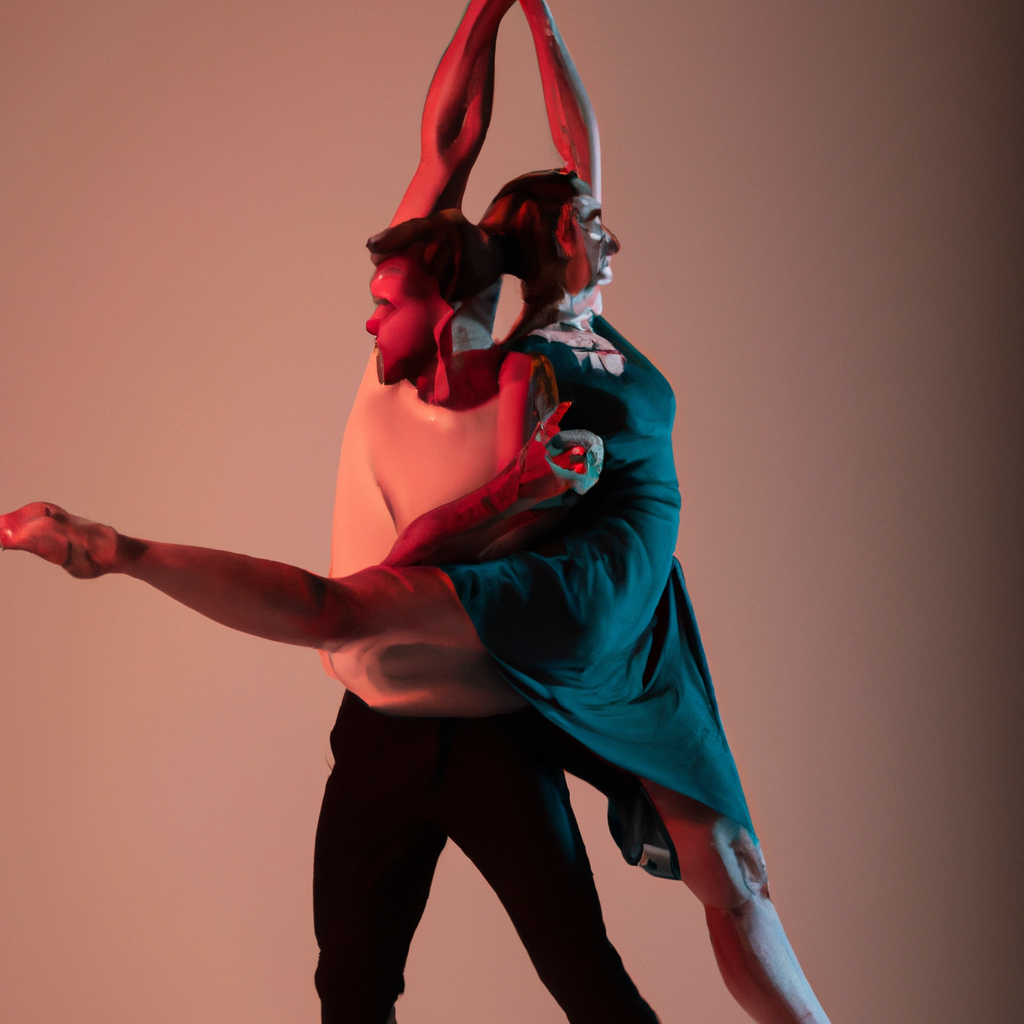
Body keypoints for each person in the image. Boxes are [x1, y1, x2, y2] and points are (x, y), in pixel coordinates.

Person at [0, 2, 833, 1022]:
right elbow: (447, 146)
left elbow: (571, 158)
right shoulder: (460, 380)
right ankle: (113, 549)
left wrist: (538, 16)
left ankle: (118, 549)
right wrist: (486, 11)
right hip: (413, 710)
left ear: (442, 305)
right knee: (353, 984)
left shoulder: (540, 367)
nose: (367, 316)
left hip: (546, 685)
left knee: (656, 928)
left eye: (385, 301)